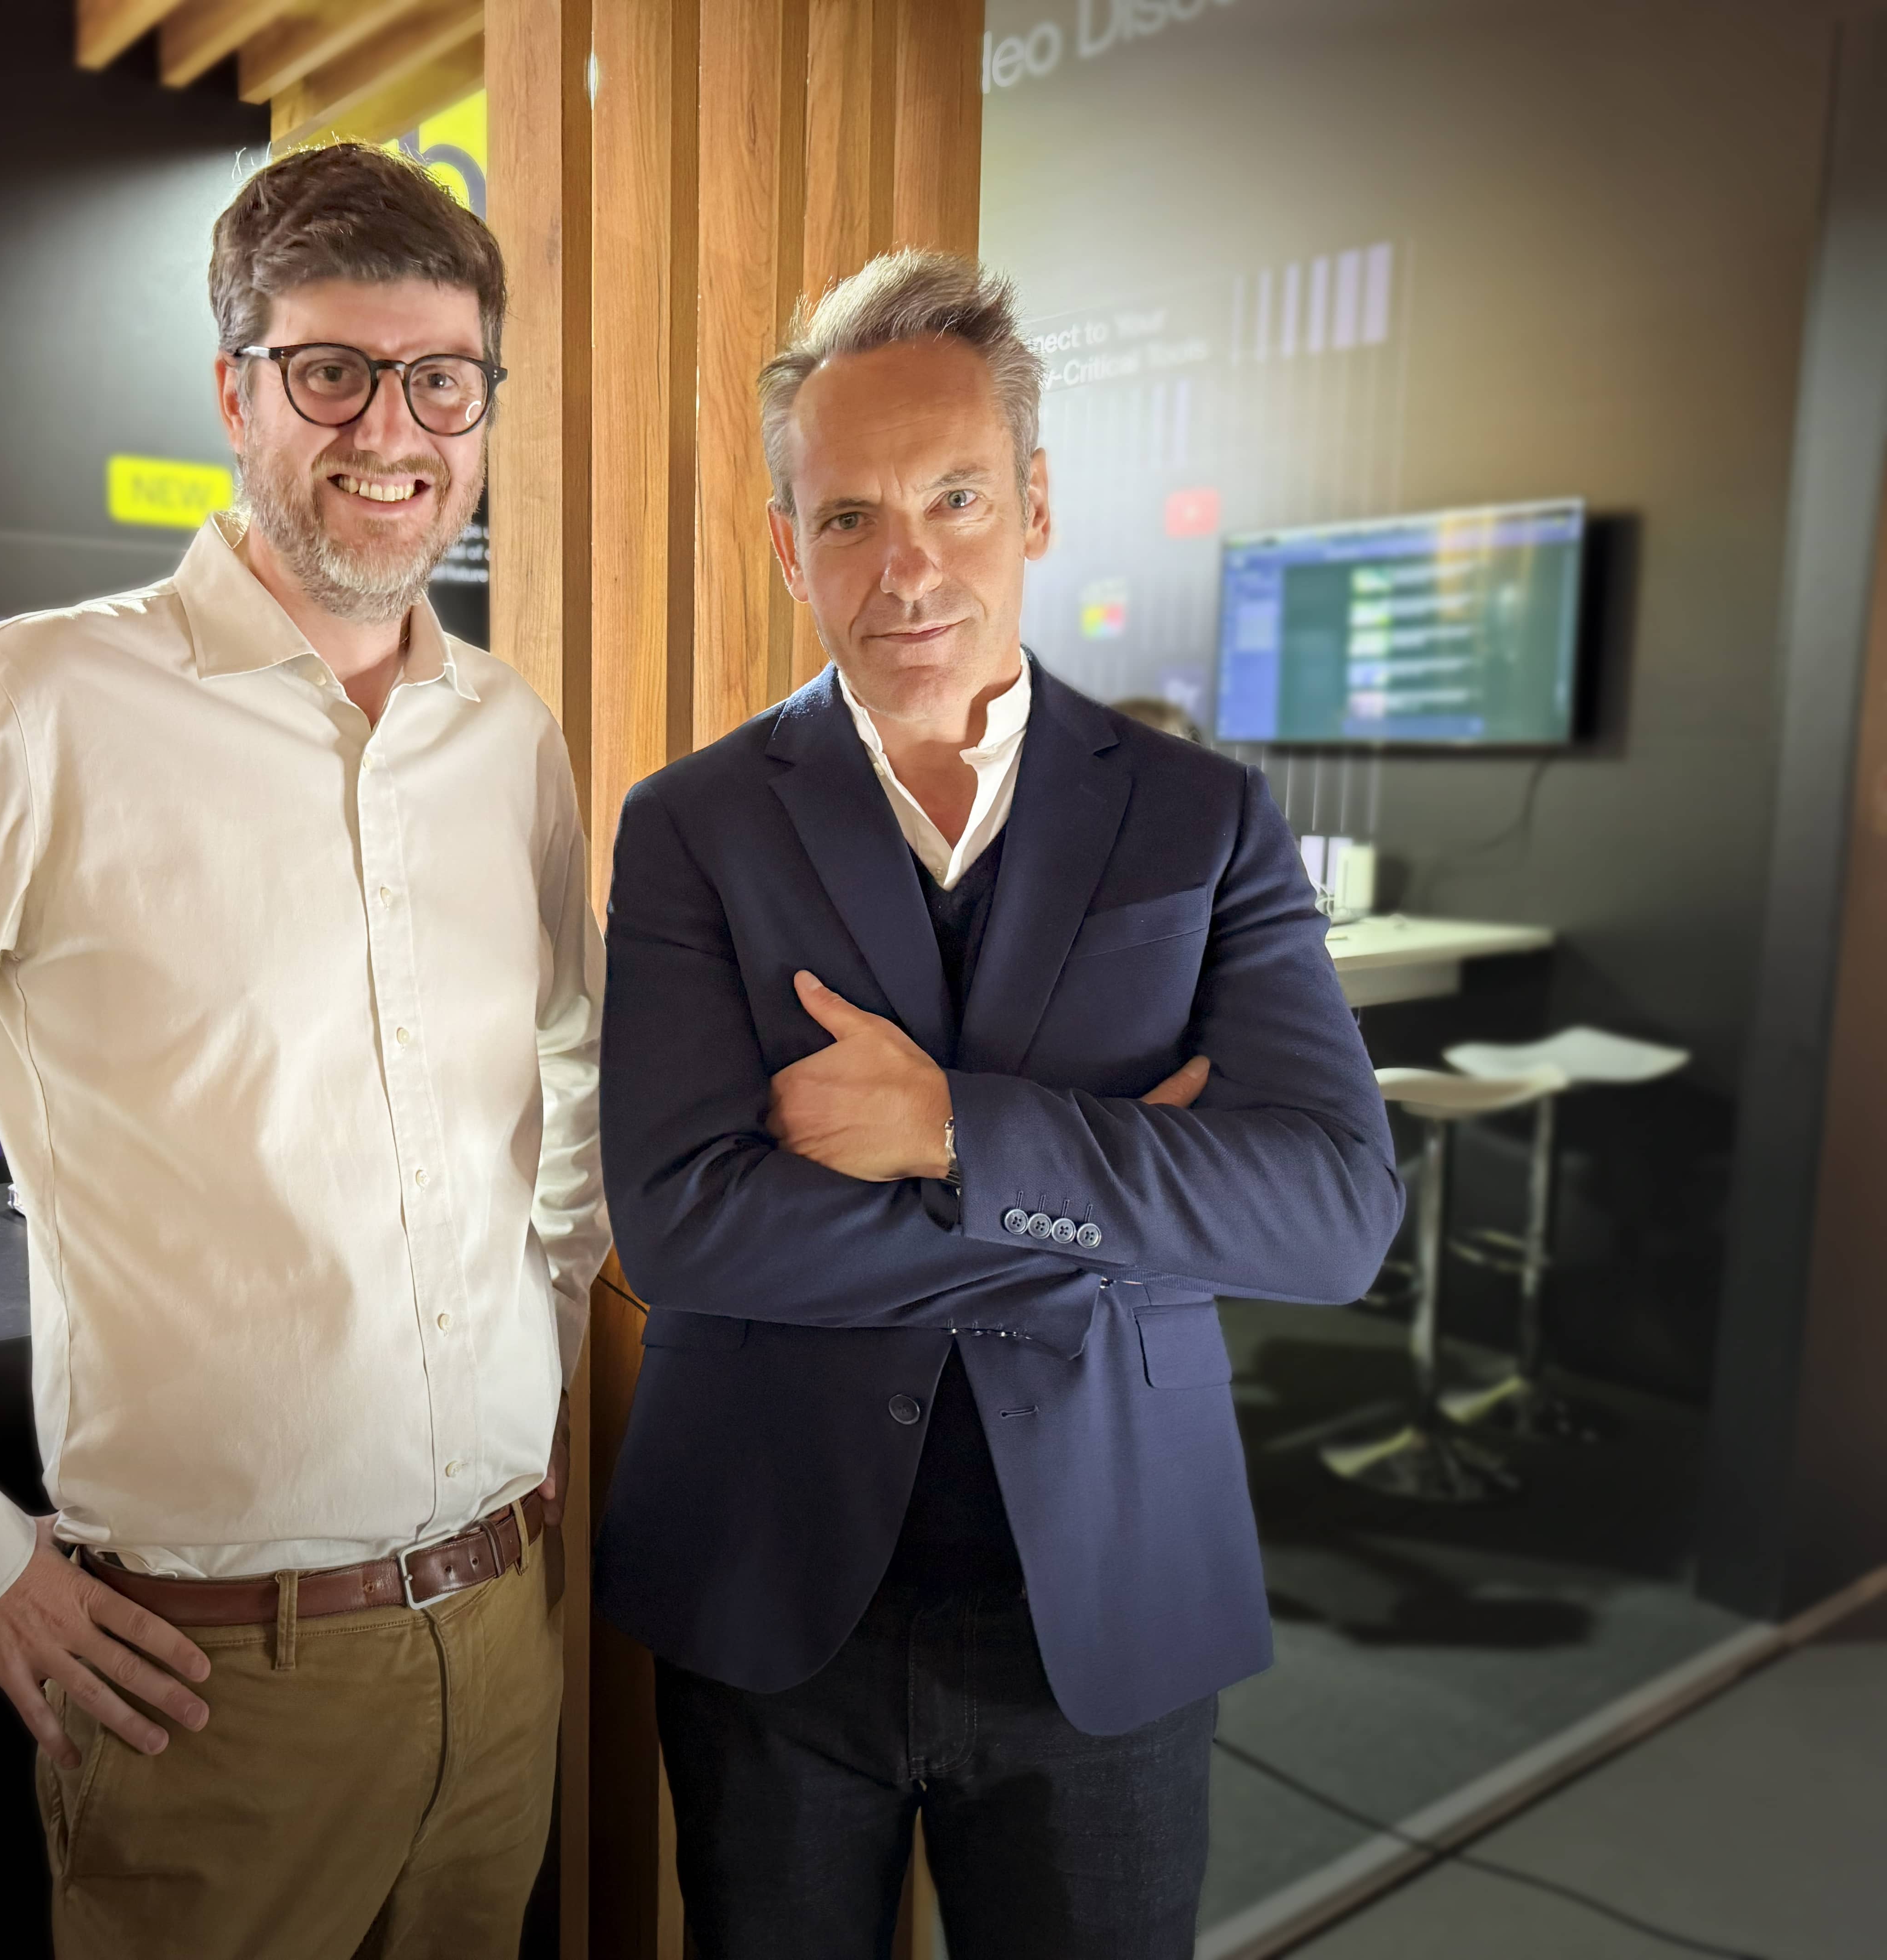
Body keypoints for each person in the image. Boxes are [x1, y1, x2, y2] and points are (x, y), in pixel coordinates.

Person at [0, 144, 605, 1960]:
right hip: (216, 1687)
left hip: (506, 1643)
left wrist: (549, 1352)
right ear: (234, 393)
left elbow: (567, 1080)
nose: (392, 427)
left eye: (443, 379)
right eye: (330, 370)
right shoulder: (41, 705)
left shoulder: (511, 734)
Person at [593, 249, 1403, 1960]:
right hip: (770, 1586)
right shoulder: (693, 825)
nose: (907, 568)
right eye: (848, 518)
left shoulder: (1199, 818)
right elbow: (684, 1225)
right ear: (783, 542)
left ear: (1034, 503)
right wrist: (1122, 1201)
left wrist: (957, 1134)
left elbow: (1330, 1216)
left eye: (956, 498)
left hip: (1113, 1583)